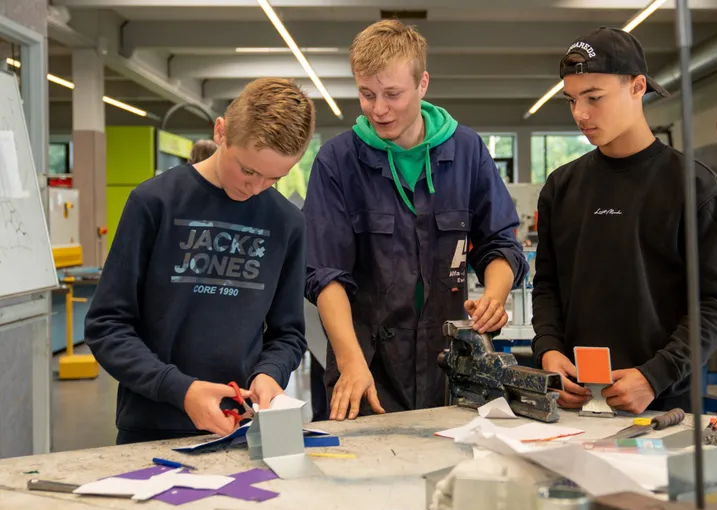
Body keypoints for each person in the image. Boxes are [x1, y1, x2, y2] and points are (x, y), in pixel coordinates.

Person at [303, 19, 528, 421]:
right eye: (366, 94)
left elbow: (499, 242)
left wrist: (495, 296)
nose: (378, 109)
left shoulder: (467, 152)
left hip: (450, 361)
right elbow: (325, 274)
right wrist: (351, 360)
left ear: (422, 84)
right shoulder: (336, 162)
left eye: (393, 94)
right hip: (365, 362)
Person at [85, 78, 314, 444]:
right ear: (220, 132)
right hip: (152, 427)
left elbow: (288, 334)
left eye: (275, 178)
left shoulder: (287, 223)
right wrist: (180, 390)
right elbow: (106, 326)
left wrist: (270, 374)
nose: (255, 189)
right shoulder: (154, 203)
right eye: (248, 171)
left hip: (242, 429)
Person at [531, 27, 717, 415]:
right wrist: (549, 351)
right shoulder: (562, 187)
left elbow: (716, 302)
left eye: (594, 98)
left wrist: (655, 375)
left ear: (637, 86)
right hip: (575, 402)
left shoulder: (693, 187)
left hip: (664, 405)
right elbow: (546, 286)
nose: (581, 113)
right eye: (572, 100)